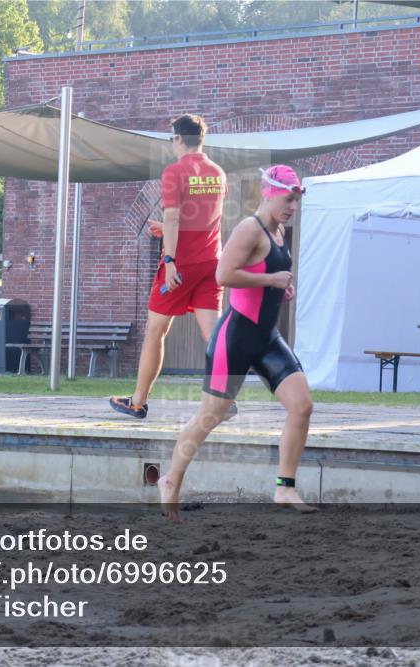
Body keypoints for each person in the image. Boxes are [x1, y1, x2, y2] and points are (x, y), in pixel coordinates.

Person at [157, 165, 316, 522]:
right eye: (289, 199)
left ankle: (284, 487)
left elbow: (260, 277)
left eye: (295, 201)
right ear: (269, 192)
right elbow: (223, 275)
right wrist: (273, 279)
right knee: (209, 416)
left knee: (302, 406)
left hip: (267, 337)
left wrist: (279, 288)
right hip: (236, 338)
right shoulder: (250, 228)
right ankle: (171, 481)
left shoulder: (278, 231)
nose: (293, 207)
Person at [109, 114, 235, 421]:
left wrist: (169, 260)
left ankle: (137, 402)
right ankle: (226, 401)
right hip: (211, 264)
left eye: (171, 139)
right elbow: (202, 220)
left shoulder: (175, 172)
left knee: (156, 331)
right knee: (213, 335)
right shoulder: (218, 172)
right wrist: (165, 228)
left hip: (181, 267)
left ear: (178, 138)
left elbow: (176, 217)